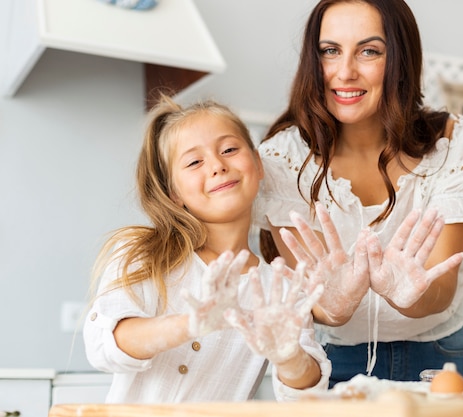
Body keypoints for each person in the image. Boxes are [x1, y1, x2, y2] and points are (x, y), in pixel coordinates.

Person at [254, 0, 463, 386]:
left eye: (369, 51)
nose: (345, 72)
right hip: (331, 362)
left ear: (400, 59)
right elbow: (318, 304)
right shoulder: (284, 158)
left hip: (440, 357)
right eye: (330, 51)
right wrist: (333, 306)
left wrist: (408, 294)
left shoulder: (453, 144)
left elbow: (443, 289)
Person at [83, 95, 330, 403]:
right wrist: (189, 324)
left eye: (229, 149)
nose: (217, 166)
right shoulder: (141, 253)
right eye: (194, 162)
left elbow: (307, 396)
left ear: (257, 163)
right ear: (174, 193)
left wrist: (290, 357)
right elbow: (101, 347)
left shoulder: (283, 288)